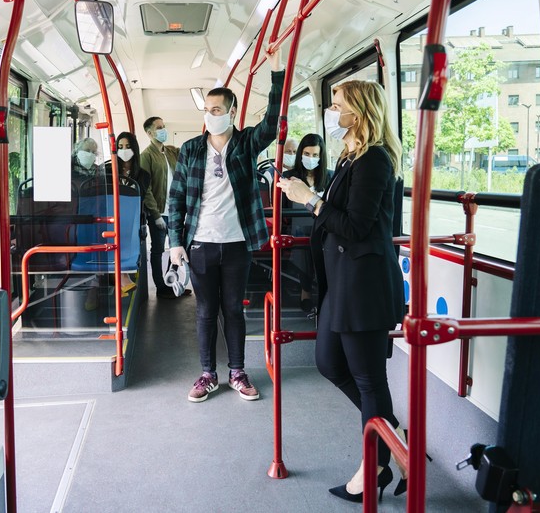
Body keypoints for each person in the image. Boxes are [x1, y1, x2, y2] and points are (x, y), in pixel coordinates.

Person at [277, 80, 405, 502]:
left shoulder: (375, 161)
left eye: (337, 105)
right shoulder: (350, 157)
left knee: (369, 379)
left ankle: (376, 468)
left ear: (359, 112)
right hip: (342, 283)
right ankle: (391, 434)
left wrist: (309, 199)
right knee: (329, 362)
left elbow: (354, 226)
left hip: (363, 285)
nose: (331, 112)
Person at [169, 50, 284, 403]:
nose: (210, 115)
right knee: (205, 311)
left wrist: (277, 74)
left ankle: (237, 371)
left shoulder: (246, 144)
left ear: (232, 113)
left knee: (234, 308)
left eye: (216, 110)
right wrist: (175, 241)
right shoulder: (191, 150)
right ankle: (207, 373)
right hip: (200, 242)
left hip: (237, 243)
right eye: (206, 109)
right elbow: (176, 200)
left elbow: (271, 121)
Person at [139, 116, 188, 299]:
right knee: (158, 250)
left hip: (175, 210)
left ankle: (172, 281)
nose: (163, 130)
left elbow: (185, 152)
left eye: (164, 126)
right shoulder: (146, 156)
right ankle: (161, 286)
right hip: (159, 211)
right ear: (149, 133)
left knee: (177, 247)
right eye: (159, 128)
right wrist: (155, 214)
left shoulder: (170, 152)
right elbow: (146, 188)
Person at [281, 133, 329, 312]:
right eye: (307, 154)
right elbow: (284, 210)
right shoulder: (289, 177)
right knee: (304, 233)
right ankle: (306, 290)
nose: (311, 159)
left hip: (324, 227)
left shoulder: (329, 178)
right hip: (298, 227)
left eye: (315, 155)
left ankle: (322, 290)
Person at [105, 131, 152, 295]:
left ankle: (120, 276)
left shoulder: (143, 175)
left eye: (127, 146)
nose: (123, 150)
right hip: (110, 216)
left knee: (125, 235)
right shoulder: (107, 170)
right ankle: (121, 277)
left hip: (131, 218)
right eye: (120, 147)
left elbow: (140, 198)